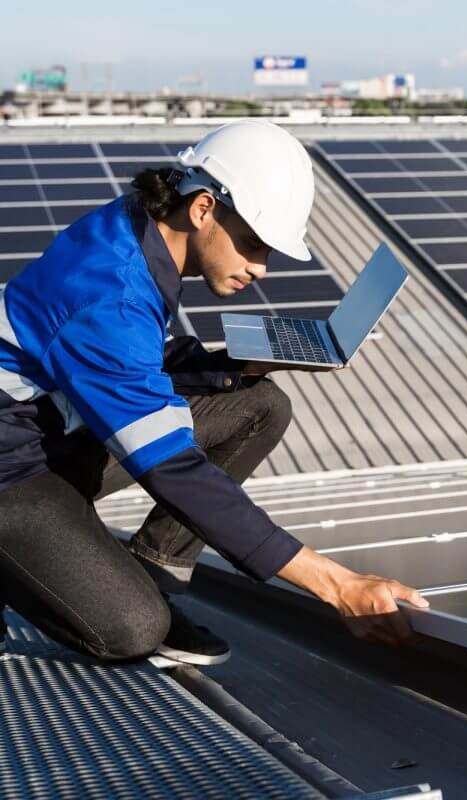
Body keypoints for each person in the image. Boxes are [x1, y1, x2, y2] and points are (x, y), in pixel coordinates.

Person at [0, 120, 428, 666]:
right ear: (203, 208)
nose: (261, 268)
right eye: (253, 244)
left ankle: (151, 574)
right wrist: (336, 584)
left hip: (47, 431)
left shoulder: (138, 227)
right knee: (132, 630)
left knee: (258, 405)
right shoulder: (110, 291)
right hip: (11, 469)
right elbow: (173, 467)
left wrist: (231, 367)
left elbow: (126, 363)